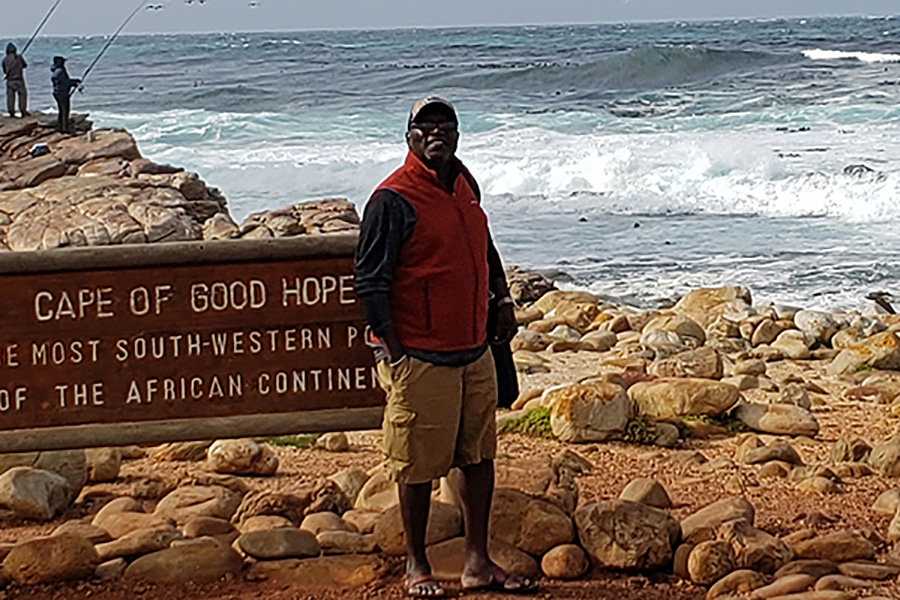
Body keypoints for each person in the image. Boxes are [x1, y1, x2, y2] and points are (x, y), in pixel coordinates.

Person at [355, 97, 537, 598]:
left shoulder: (464, 182)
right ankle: (417, 565)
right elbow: (370, 282)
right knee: (415, 463)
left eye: (446, 125)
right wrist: (395, 351)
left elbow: (483, 243)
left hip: (473, 348)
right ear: (409, 135)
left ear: (458, 134)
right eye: (425, 125)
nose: (437, 132)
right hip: (419, 353)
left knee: (478, 456)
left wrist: (500, 298)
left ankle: (478, 562)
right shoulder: (392, 199)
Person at [50, 56, 79, 134]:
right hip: (62, 93)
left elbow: (64, 81)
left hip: (57, 92)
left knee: (61, 110)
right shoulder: (60, 71)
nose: (64, 63)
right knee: (65, 111)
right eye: (63, 62)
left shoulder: (56, 71)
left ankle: (60, 127)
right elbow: (65, 83)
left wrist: (74, 81)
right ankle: (64, 128)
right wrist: (74, 83)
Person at [2, 43, 28, 118]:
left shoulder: (5, 60)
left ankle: (11, 112)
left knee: (10, 97)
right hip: (19, 80)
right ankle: (23, 111)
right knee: (22, 95)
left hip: (10, 81)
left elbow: (4, 70)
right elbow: (25, 65)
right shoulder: (19, 57)